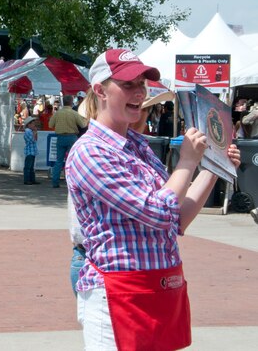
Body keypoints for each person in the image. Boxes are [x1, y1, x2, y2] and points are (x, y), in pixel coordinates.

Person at [66, 48, 241, 350]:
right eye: (128, 84)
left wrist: (215, 167)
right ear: (100, 90)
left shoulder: (137, 145)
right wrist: (187, 162)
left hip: (159, 288)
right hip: (120, 294)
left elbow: (177, 219)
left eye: (141, 84)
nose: (139, 92)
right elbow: (159, 212)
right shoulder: (90, 151)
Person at [48, 95, 87, 188]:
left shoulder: (57, 113)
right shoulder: (74, 113)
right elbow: (83, 125)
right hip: (72, 137)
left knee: (59, 161)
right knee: (72, 160)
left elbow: (50, 124)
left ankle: (55, 182)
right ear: (71, 102)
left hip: (60, 137)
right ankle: (71, 181)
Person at [23, 116, 40, 185]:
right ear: (28, 124)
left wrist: (35, 132)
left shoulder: (30, 131)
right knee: (28, 167)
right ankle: (27, 180)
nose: (34, 125)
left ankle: (32, 179)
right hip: (30, 151)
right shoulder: (28, 131)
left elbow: (35, 139)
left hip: (32, 151)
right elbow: (32, 140)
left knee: (31, 167)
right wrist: (35, 133)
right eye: (33, 124)